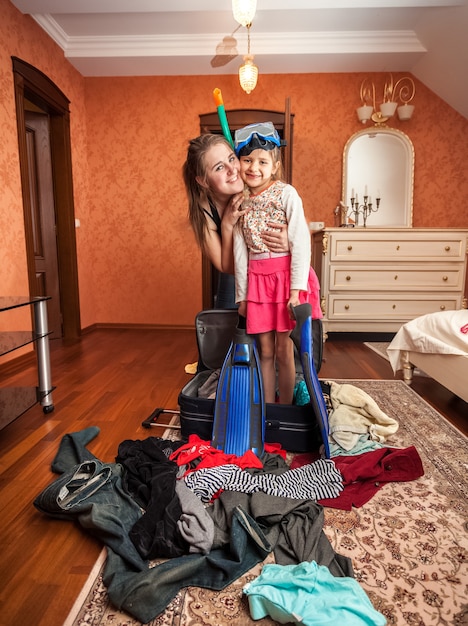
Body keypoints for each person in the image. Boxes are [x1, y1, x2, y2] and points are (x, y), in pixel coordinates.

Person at [233, 122, 322, 405]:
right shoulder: (240, 203)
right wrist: (242, 295)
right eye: (247, 160)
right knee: (265, 350)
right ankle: (267, 407)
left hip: (285, 281)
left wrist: (296, 291)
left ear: (274, 166)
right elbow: (239, 252)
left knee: (284, 349)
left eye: (262, 161)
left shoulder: (286, 193)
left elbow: (300, 241)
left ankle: (284, 407)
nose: (253, 167)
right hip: (257, 283)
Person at [183, 133, 289, 309]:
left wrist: (290, 238)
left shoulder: (258, 182)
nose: (232, 170)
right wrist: (227, 225)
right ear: (203, 181)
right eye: (219, 168)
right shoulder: (204, 211)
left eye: (232, 159)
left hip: (276, 270)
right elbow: (227, 267)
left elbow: (304, 227)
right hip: (237, 277)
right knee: (232, 330)